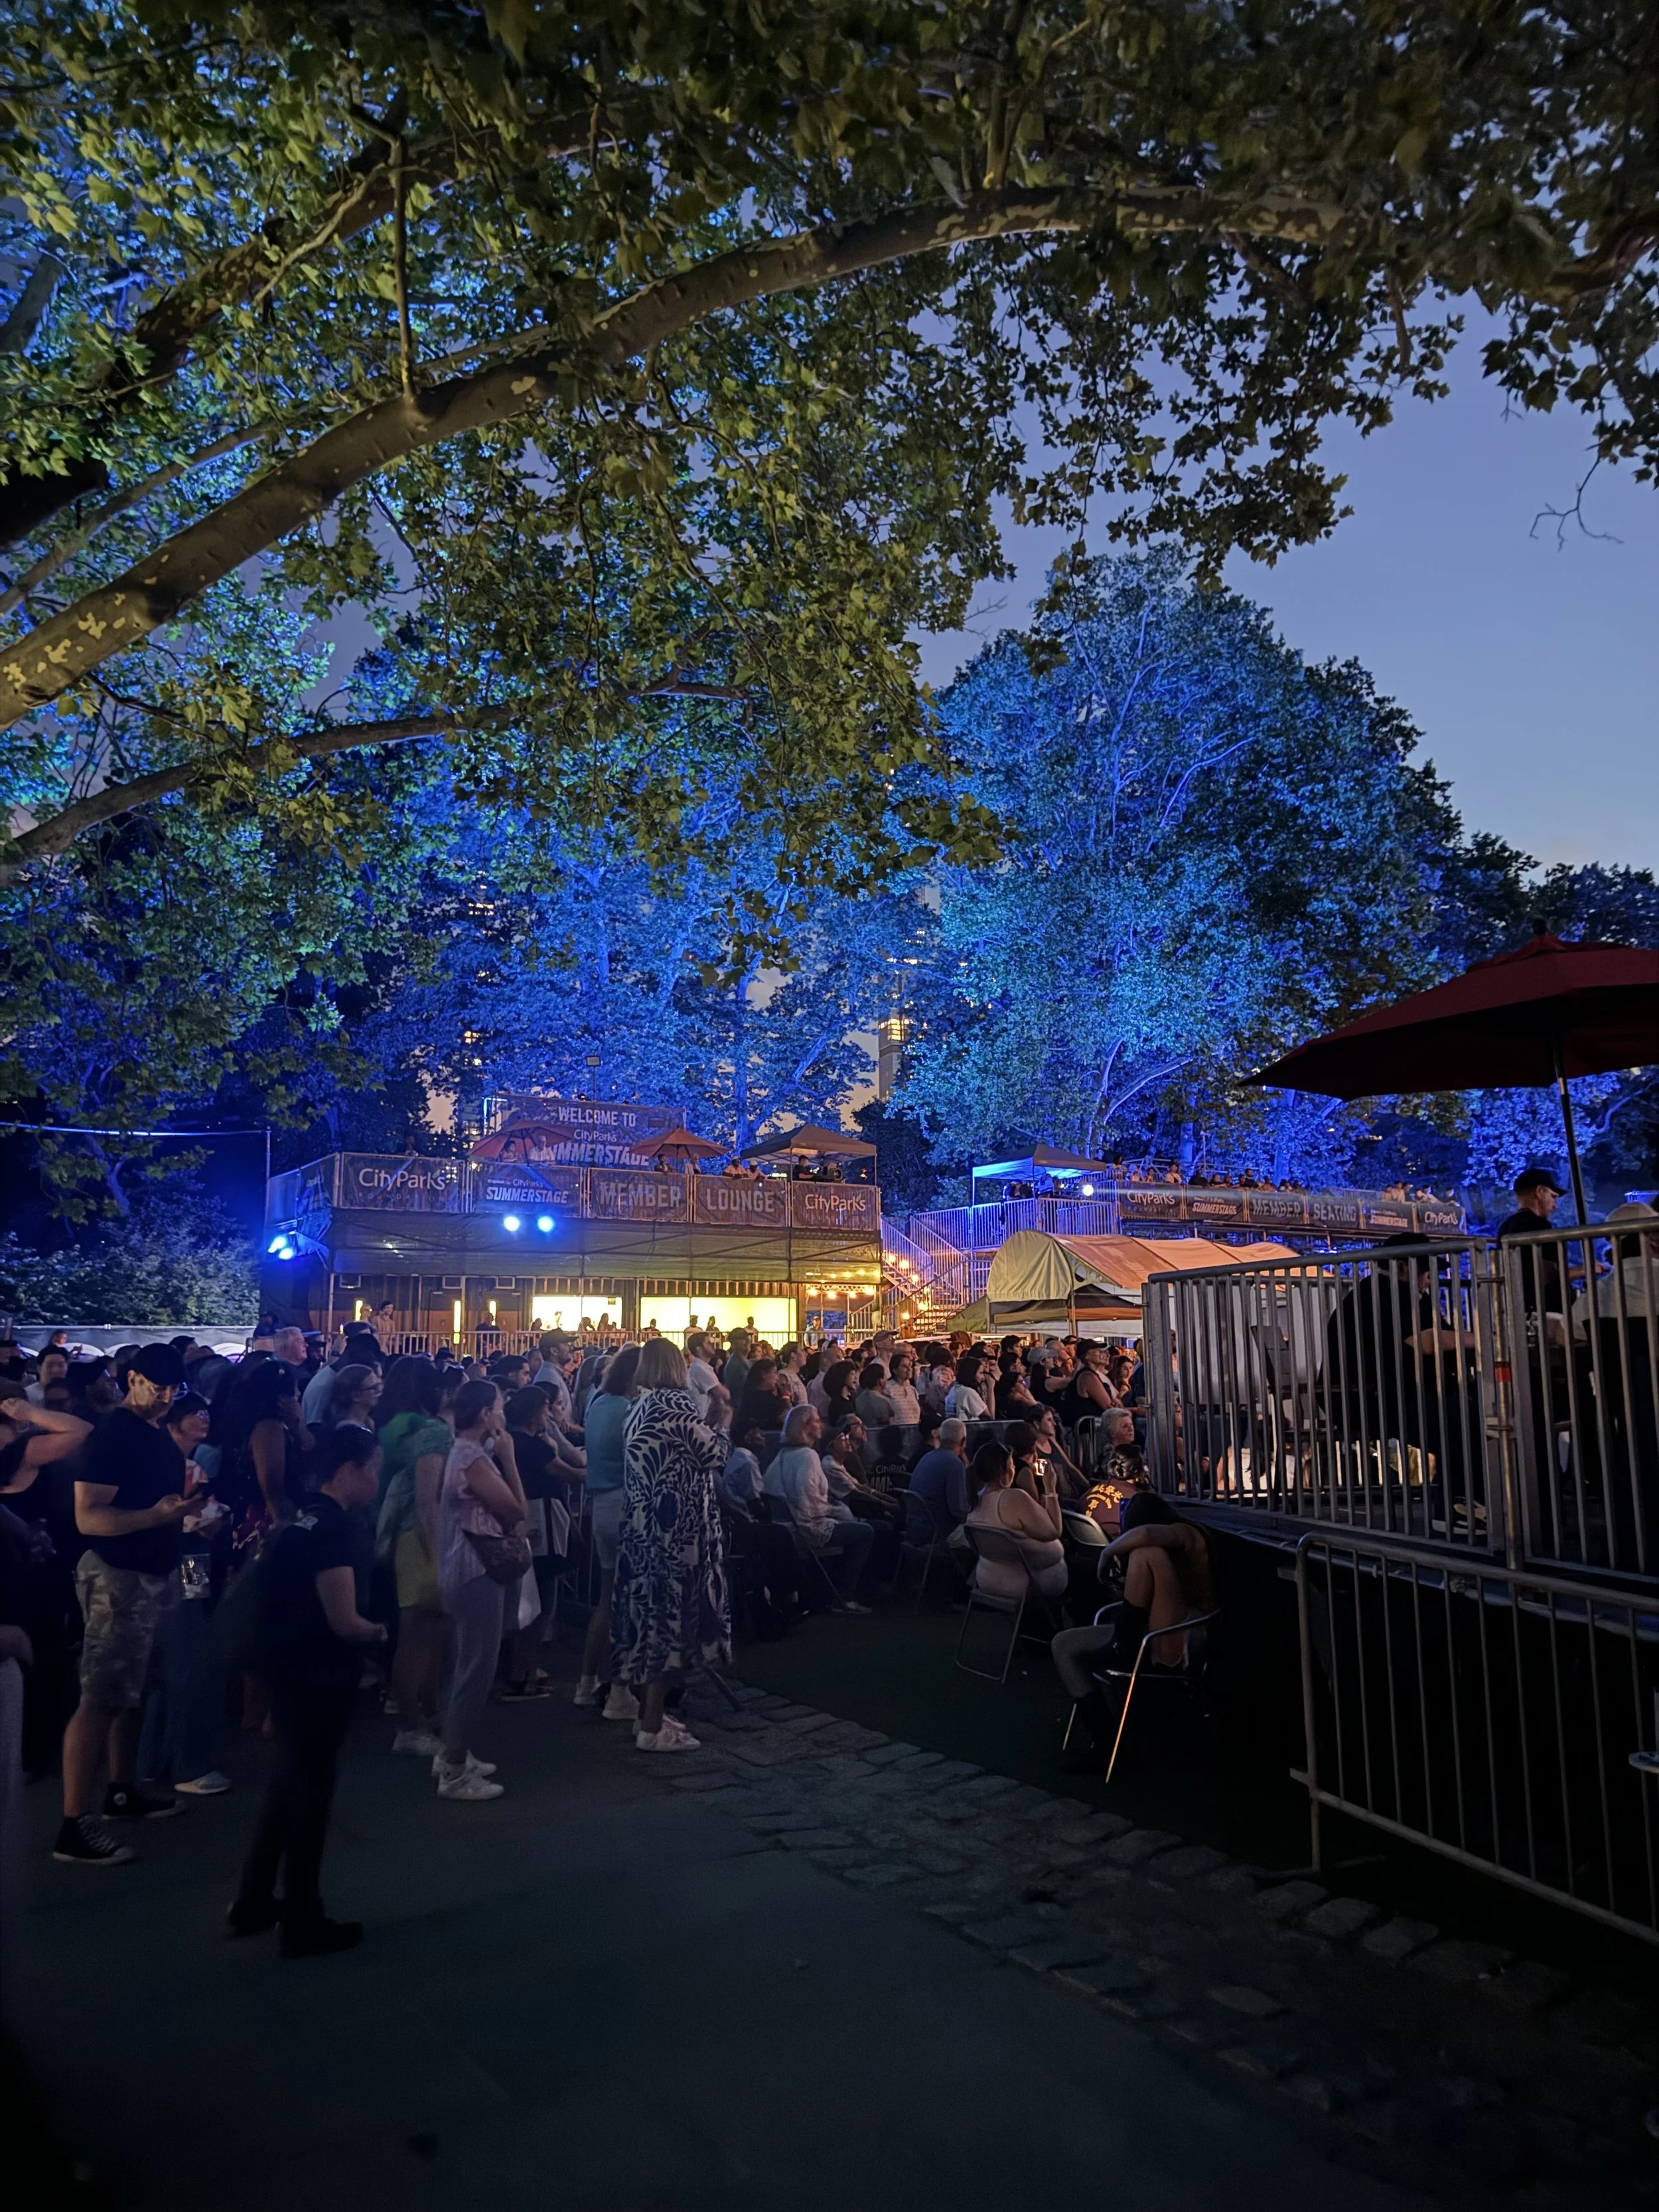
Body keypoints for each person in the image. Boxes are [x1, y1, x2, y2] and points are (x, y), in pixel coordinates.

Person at [227, 1426, 388, 1956]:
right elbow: (344, 1620)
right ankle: (302, 1914)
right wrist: (382, 1632)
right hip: (319, 1673)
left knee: (285, 1786)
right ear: (351, 1469)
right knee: (311, 1797)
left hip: (284, 1665)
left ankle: (254, 1896)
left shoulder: (300, 1518)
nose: (377, 1478)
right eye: (374, 1468)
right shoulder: (335, 1532)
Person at [53, 1343, 192, 1866]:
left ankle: (121, 1789)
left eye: (173, 1387)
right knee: (102, 1695)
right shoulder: (114, 1435)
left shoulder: (154, 1433)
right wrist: (156, 1517)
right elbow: (89, 1517)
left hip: (152, 1571)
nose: (165, 1395)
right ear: (131, 1378)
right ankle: (73, 1821)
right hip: (118, 1574)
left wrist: (183, 1517)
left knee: (132, 1691)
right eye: (156, 1384)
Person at [611, 1339, 729, 1751]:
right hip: (674, 1530)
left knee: (645, 1620)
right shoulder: (672, 1405)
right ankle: (651, 1726)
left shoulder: (637, 1405)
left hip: (643, 1526)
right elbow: (713, 1453)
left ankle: (648, 1715)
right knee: (667, 1623)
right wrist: (723, 1422)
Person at [1050, 1492, 1216, 1767]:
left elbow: (1147, 1535)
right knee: (1061, 1644)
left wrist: (1107, 1552)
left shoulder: (1186, 1534)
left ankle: (1122, 1646)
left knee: (1147, 1551)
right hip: (1146, 1629)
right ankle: (1103, 1739)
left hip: (1183, 1633)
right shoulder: (1154, 1557)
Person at [136, 1393, 232, 1797]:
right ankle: (187, 1764)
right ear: (173, 1421)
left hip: (158, 1564)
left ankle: (149, 1759)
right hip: (188, 1559)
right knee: (187, 1654)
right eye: (195, 1413)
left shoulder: (158, 1462)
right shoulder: (184, 1468)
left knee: (162, 1664)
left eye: (206, 1411)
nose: (203, 1418)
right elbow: (202, 1524)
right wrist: (213, 1519)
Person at [435, 1380, 526, 1799]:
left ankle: (454, 1748)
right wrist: (509, 1459)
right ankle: (454, 1768)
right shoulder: (473, 1456)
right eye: (499, 1407)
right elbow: (514, 1510)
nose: (504, 1414)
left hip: (463, 1565)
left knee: (463, 1662)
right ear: (485, 1415)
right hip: (476, 1568)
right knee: (477, 1666)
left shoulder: (465, 1454)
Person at [374, 1359, 454, 1758]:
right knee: (425, 1632)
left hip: (391, 1535)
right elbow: (429, 1500)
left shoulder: (388, 1428)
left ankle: (413, 1715)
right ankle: (419, 1718)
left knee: (412, 1631)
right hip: (421, 1536)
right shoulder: (432, 1432)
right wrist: (440, 1555)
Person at [573, 1345, 641, 1720]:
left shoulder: (598, 1404)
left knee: (606, 1597)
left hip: (600, 1503)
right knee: (631, 1600)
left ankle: (586, 1682)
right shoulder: (630, 1410)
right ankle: (620, 1688)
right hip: (624, 1503)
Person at [764, 1404, 876, 1611]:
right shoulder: (807, 1457)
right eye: (816, 1420)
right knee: (866, 1532)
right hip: (808, 1529)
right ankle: (845, 1596)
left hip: (789, 1527)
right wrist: (832, 1511)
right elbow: (809, 1504)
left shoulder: (782, 1455)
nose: (821, 1424)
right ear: (805, 1427)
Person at [963, 1441, 1066, 1602]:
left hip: (989, 1579)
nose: (1014, 1470)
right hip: (1027, 1583)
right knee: (1085, 1570)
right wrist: (1050, 1488)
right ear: (1002, 1471)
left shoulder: (977, 1499)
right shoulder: (1013, 1498)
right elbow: (1054, 1531)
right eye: (1011, 1466)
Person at [1496, 1166, 1569, 1326]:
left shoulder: (1506, 1227)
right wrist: (1585, 1270)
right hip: (1545, 1314)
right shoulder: (1540, 1226)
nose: (1555, 1205)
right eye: (1553, 1196)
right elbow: (1550, 1275)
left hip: (1517, 1311)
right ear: (1540, 1191)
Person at [907, 1416, 970, 1522]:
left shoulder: (927, 1457)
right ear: (963, 1441)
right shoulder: (954, 1464)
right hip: (940, 1530)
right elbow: (959, 1511)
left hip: (917, 1527)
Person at [946, 1351, 991, 1422]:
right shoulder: (968, 1393)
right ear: (971, 1374)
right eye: (981, 1373)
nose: (983, 1377)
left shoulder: (955, 1389)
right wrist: (990, 1388)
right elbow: (990, 1417)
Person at [683, 1331, 720, 1418]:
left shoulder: (701, 1367)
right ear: (699, 1349)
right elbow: (724, 1394)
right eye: (708, 1343)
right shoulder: (699, 1368)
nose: (712, 1345)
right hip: (699, 1420)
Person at [853, 1361, 896, 1427]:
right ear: (881, 1381)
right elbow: (890, 1423)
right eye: (885, 1377)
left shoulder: (858, 1399)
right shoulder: (883, 1401)